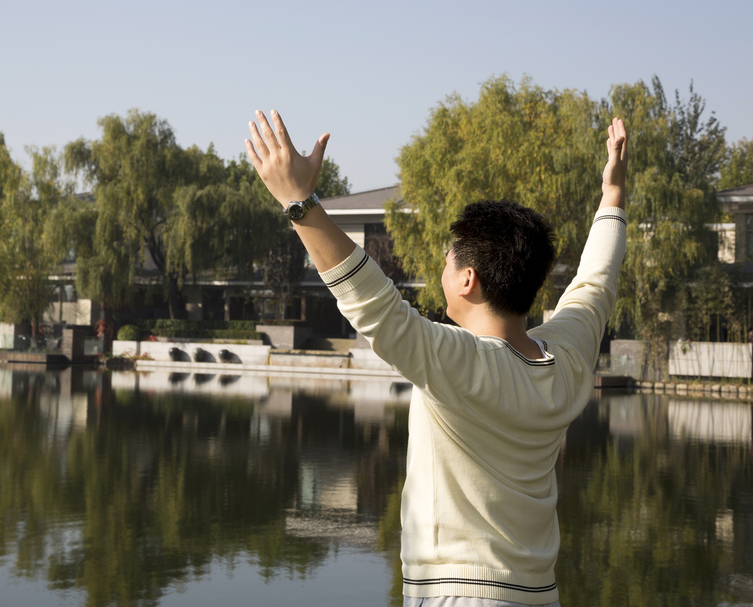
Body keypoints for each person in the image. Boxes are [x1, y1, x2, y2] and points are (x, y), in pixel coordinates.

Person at [245, 110, 628, 606]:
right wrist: (613, 196)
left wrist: (300, 203)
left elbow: (375, 305)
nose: (441, 268)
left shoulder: (462, 362)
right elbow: (596, 284)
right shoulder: (567, 359)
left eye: (448, 261)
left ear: (468, 280)